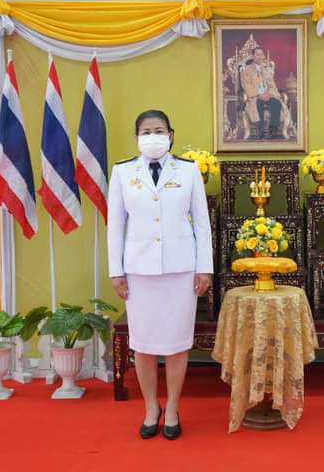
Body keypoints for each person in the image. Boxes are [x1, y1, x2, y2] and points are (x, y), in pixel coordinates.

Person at [107, 109, 213, 440]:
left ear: (171, 135)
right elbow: (115, 226)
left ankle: (174, 407)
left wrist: (204, 268)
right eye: (146, 131)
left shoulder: (189, 170)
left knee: (177, 344)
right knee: (144, 344)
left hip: (181, 271)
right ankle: (151, 407)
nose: (153, 136)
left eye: (159, 130)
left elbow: (202, 223)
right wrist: (116, 271)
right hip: (139, 273)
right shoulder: (123, 172)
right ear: (137, 138)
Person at [240, 47, 282, 139]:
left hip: (267, 95)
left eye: (261, 54)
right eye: (257, 54)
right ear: (253, 56)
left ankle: (273, 131)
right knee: (258, 104)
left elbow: (272, 85)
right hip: (255, 96)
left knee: (276, 103)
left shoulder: (267, 69)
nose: (260, 57)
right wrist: (259, 95)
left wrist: (269, 94)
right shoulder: (246, 69)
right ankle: (261, 131)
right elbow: (246, 85)